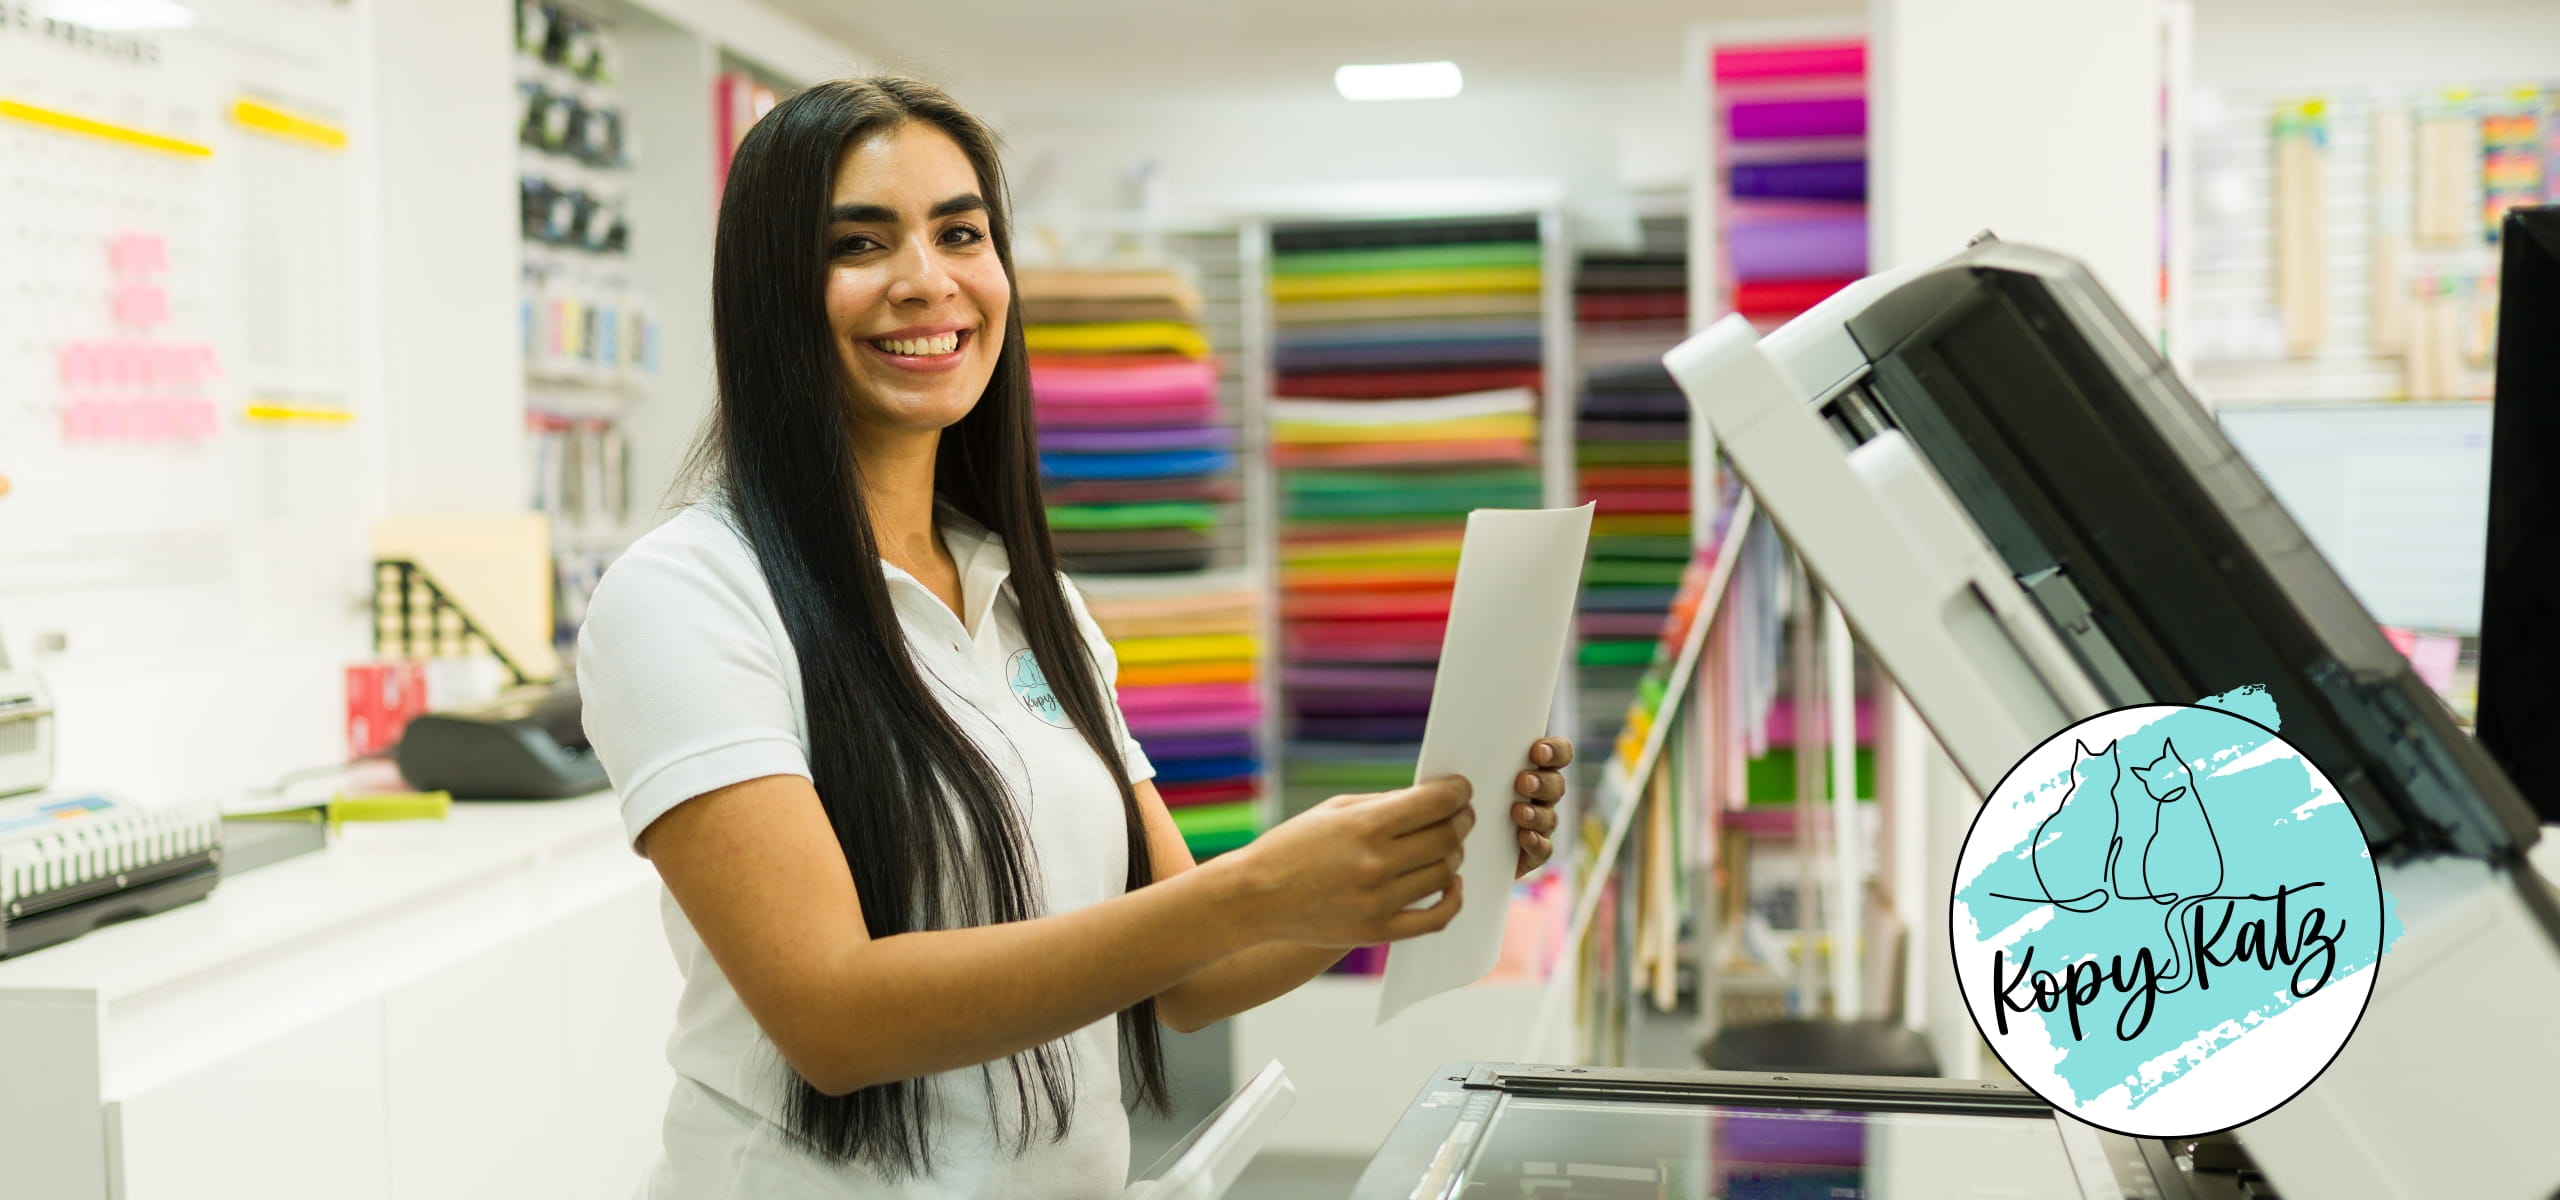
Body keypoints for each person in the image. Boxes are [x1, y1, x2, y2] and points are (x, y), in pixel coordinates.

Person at [576, 76, 1572, 1199]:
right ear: (769, 292)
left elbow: (1190, 976)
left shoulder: (1027, 595)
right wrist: (1251, 889)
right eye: (859, 243)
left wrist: (1402, 862)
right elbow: (833, 1016)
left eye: (961, 233)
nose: (928, 280)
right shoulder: (688, 595)